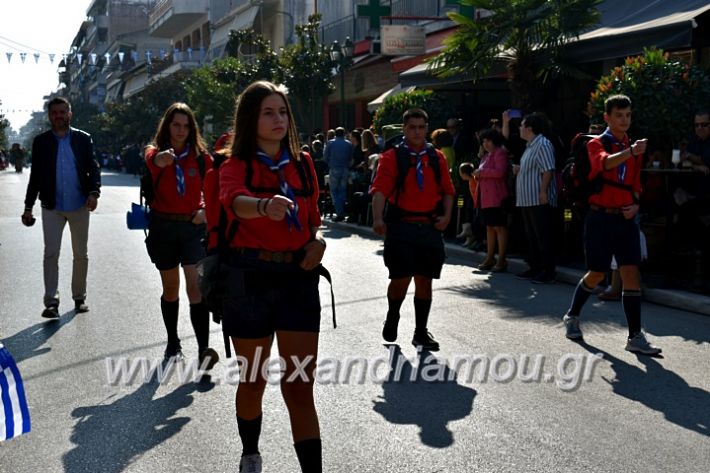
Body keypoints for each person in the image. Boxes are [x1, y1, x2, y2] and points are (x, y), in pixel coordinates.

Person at [218, 81, 326, 473]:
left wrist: (318, 242)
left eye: (282, 111)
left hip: (298, 278)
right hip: (250, 281)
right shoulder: (234, 163)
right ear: (251, 118)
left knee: (299, 386)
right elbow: (235, 204)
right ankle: (250, 451)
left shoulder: (303, 163)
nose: (279, 119)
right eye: (268, 112)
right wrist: (264, 205)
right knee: (253, 380)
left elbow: (315, 220)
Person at [562, 94, 661, 355]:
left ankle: (635, 336)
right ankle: (572, 316)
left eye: (628, 115)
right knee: (597, 273)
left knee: (631, 274)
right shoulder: (596, 143)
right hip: (600, 218)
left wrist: (636, 203)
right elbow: (604, 163)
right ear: (607, 117)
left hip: (626, 219)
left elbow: (636, 183)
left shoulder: (632, 145)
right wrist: (630, 151)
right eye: (619, 115)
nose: (625, 120)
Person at [371, 108, 456, 351]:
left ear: (427, 128)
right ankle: (393, 314)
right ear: (404, 129)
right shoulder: (392, 157)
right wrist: (378, 218)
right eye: (412, 127)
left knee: (425, 280)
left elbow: (448, 191)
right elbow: (379, 191)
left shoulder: (436, 157)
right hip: (401, 226)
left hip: (429, 227)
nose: (417, 132)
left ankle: (420, 332)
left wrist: (447, 216)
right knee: (400, 279)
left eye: (421, 127)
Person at [143, 102, 219, 367]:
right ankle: (173, 341)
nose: (181, 130)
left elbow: (216, 191)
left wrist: (206, 212)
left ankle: (203, 350)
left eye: (186, 126)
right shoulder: (155, 152)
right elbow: (153, 159)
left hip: (191, 228)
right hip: (163, 228)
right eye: (176, 125)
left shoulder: (200, 157)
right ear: (167, 126)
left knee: (195, 287)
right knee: (171, 288)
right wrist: (162, 159)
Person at [22, 97, 101, 318]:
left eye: (62, 112)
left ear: (69, 114)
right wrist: (28, 207)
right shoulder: (41, 142)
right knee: (51, 253)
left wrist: (94, 193)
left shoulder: (83, 139)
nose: (58, 116)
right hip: (52, 207)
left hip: (79, 206)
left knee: (80, 254)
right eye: (54, 112)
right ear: (49, 116)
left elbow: (93, 169)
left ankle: (79, 298)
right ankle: (51, 302)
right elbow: (35, 177)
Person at [514, 112, 558, 284]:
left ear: (529, 128)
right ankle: (535, 267)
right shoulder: (530, 145)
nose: (519, 128)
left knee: (543, 236)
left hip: (538, 199)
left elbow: (548, 169)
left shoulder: (543, 144)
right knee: (532, 236)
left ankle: (548, 272)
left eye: (522, 125)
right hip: (526, 199)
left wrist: (543, 192)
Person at [471, 128, 510, 272]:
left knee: (499, 227)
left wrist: (481, 173)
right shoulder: (486, 156)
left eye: (488, 140)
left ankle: (501, 259)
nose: (486, 144)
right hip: (485, 197)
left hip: (496, 197)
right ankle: (490, 256)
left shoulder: (499, 153)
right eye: (483, 141)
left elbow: (500, 172)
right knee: (489, 227)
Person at [323, 126, 353, 221]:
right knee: (342, 190)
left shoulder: (330, 143)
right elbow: (351, 157)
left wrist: (330, 163)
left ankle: (339, 212)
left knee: (334, 191)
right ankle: (342, 210)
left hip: (334, 168)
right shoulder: (349, 144)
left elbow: (325, 157)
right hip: (345, 169)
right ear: (344, 134)